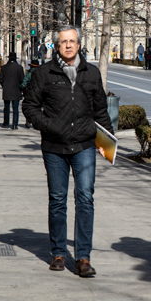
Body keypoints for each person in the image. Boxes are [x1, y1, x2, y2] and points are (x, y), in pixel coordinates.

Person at [22, 25, 113, 277]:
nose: (69, 45)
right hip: (54, 147)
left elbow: (100, 111)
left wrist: (108, 145)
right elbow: (29, 106)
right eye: (64, 41)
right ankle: (58, 253)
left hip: (84, 145)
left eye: (73, 41)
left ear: (79, 44)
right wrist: (48, 126)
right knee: (58, 200)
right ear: (56, 45)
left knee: (85, 199)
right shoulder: (44, 73)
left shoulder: (91, 73)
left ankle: (83, 257)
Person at [0, 52, 24, 129]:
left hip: (7, 89)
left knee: (6, 107)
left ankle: (6, 123)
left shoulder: (4, 67)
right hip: (16, 90)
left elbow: (0, 79)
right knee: (15, 108)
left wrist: (4, 85)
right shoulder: (19, 68)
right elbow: (22, 79)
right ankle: (15, 124)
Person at [21, 59, 41, 128]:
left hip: (30, 92)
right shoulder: (41, 73)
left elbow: (24, 83)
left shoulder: (29, 73)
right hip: (39, 93)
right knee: (39, 107)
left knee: (28, 106)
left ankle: (28, 121)